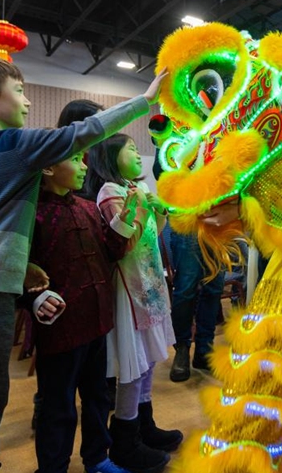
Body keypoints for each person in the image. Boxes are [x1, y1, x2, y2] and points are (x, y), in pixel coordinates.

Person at [0, 54, 166, 473]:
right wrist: (145, 100)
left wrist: (20, 271)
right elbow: (83, 132)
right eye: (18, 90)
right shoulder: (9, 145)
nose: (27, 101)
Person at [27, 100, 145, 473]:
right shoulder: (31, 215)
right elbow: (18, 272)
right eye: (77, 160)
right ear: (47, 167)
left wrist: (125, 221)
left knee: (98, 398)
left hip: (97, 324)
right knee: (58, 406)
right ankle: (53, 467)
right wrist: (33, 299)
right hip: (60, 333)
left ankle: (97, 458)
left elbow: (111, 252)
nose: (85, 166)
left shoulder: (87, 207)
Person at [91, 133, 179, 473]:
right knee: (134, 364)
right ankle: (125, 439)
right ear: (111, 157)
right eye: (130, 148)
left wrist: (159, 214)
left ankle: (144, 425)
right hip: (129, 289)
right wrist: (142, 209)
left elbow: (150, 234)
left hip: (149, 284)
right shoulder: (110, 192)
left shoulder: (135, 189)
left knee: (148, 362)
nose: (137, 153)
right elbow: (122, 242)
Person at [147, 114, 226, 382]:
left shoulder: (223, 125)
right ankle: (182, 349)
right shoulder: (178, 125)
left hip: (220, 220)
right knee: (186, 288)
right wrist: (162, 144)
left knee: (214, 286)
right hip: (188, 220)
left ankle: (204, 348)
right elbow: (161, 171)